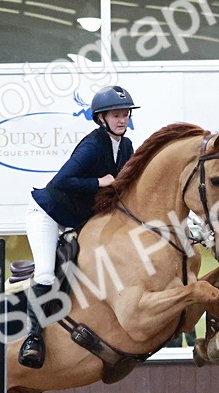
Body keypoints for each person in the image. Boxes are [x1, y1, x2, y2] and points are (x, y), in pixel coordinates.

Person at [18, 84, 139, 368]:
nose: (122, 120)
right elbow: (59, 182)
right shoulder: (92, 145)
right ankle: (32, 338)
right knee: (47, 274)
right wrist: (99, 182)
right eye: (116, 115)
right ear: (101, 118)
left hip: (79, 217)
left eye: (125, 114)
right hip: (48, 213)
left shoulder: (127, 147)